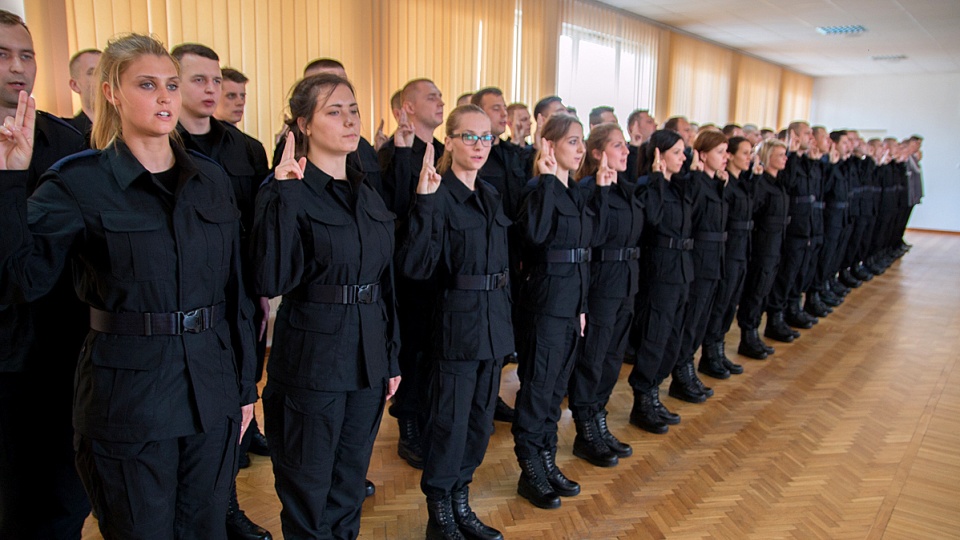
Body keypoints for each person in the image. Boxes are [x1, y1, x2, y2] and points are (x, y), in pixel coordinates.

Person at [0, 32, 258, 538]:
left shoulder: (210, 179)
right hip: (127, 396)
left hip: (211, 389)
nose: (165, 97)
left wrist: (245, 384)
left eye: (169, 84)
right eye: (147, 84)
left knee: (205, 528)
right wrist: (9, 178)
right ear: (112, 92)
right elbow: (20, 279)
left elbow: (237, 291)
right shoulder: (76, 181)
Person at [251, 73, 401, 539]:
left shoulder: (368, 191)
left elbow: (385, 282)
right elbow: (271, 279)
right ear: (304, 125)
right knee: (307, 486)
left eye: (353, 110)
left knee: (349, 483)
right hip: (312, 361)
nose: (349, 120)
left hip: (367, 360)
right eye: (334, 111)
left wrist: (391, 356)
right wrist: (286, 195)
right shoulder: (282, 188)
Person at [169, 42, 272, 540]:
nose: (210, 90)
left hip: (236, 296)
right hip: (176, 302)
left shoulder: (245, 149)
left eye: (216, 81)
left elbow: (256, 226)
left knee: (234, 406)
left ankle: (226, 502)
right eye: (198, 80)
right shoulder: (160, 146)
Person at [398, 104, 512, 540]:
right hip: (454, 332)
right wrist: (424, 205)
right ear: (450, 141)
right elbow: (415, 266)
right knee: (448, 424)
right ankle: (439, 513)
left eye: (486, 138)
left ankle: (462, 501)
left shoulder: (490, 195)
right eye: (470, 137)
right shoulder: (436, 195)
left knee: (481, 422)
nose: (480, 146)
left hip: (492, 329)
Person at [0, 11, 89, 539]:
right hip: (6, 360)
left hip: (64, 350)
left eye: (27, 54)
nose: (18, 67)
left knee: (65, 496)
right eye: (3, 54)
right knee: (16, 502)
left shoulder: (66, 142)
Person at [512, 113, 611, 509]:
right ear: (548, 146)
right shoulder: (540, 188)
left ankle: (547, 459)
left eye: (581, 141)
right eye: (572, 141)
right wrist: (549, 181)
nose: (580, 148)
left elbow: (588, 252)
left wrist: (583, 307)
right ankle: (529, 469)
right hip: (544, 306)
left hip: (571, 307)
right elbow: (533, 237)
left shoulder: (577, 193)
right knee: (537, 390)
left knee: (555, 393)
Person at [378, 77, 446, 470]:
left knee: (432, 351)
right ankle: (408, 427)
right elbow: (396, 210)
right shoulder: (392, 154)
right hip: (407, 273)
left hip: (439, 270)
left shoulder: (443, 151)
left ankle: (426, 419)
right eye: (431, 96)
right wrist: (403, 153)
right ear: (406, 106)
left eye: (440, 95)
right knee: (412, 351)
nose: (440, 101)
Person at [568, 122, 639, 468]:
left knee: (612, 361)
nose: (626, 151)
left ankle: (598, 420)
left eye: (625, 146)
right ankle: (585, 432)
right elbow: (592, 237)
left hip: (625, 284)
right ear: (598, 154)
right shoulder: (587, 189)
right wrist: (602, 192)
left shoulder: (625, 188)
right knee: (593, 360)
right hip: (600, 286)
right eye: (617, 146)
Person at [626, 130, 694, 435]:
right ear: (659, 155)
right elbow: (651, 220)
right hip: (659, 275)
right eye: (677, 152)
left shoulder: (677, 186)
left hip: (681, 272)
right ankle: (642, 402)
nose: (683, 158)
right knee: (654, 339)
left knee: (672, 338)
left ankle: (654, 393)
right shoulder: (646, 186)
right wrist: (654, 177)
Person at [668, 130, 727, 400]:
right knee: (690, 322)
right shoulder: (694, 182)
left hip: (714, 259)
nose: (725, 157)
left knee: (702, 319)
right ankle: (680, 374)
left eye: (726, 152)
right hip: (698, 260)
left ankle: (688, 367)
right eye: (719, 152)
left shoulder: (714, 182)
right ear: (702, 155)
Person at [699, 136, 760, 377]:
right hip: (726, 252)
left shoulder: (739, 182)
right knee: (720, 305)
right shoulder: (722, 185)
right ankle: (709, 354)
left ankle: (718, 350)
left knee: (728, 306)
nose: (749, 157)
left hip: (739, 251)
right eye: (744, 153)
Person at [736, 138, 790, 360]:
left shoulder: (778, 182)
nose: (785, 158)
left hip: (776, 244)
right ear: (767, 158)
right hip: (762, 246)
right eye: (780, 155)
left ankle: (755, 332)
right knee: (756, 290)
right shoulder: (760, 183)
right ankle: (747, 336)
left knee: (765, 289)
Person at [65, 48, 101, 144]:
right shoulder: (68, 136)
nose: (102, 77)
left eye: (105, 71)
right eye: (93, 73)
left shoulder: (129, 130)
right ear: (75, 85)